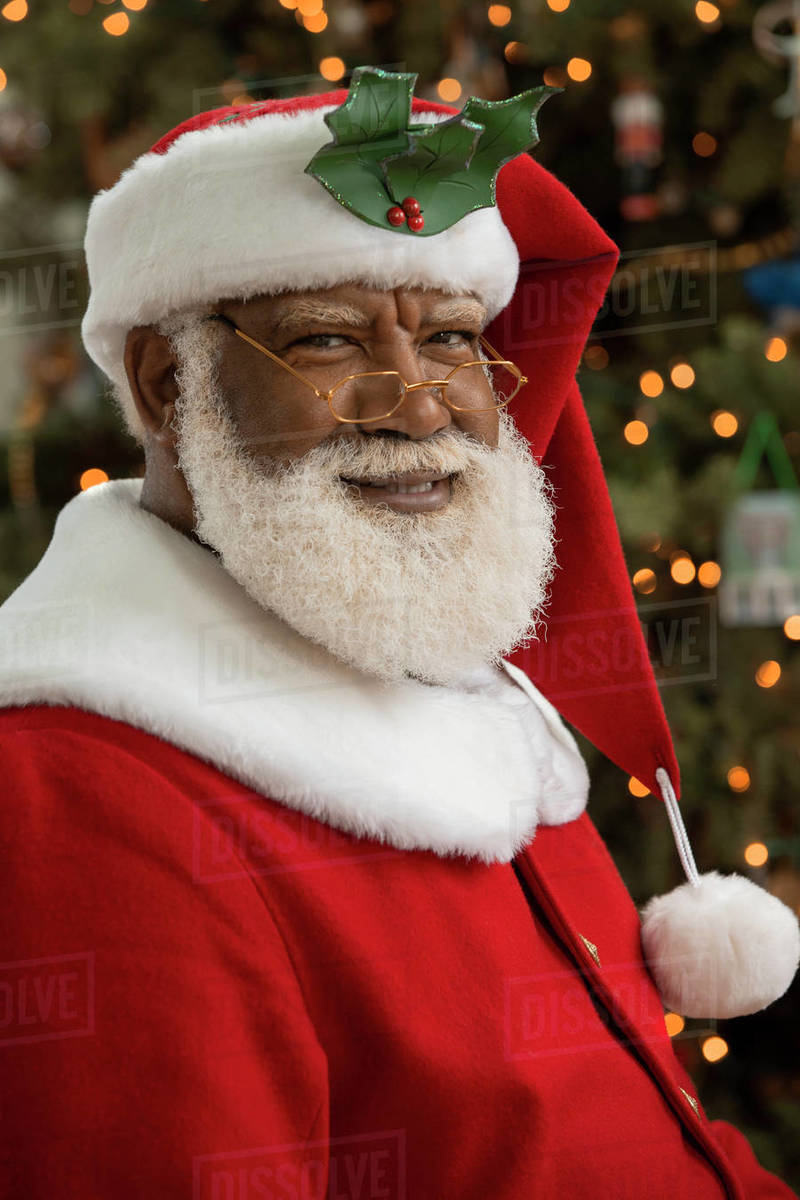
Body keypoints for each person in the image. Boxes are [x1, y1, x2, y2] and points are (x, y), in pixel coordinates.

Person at [0, 66, 797, 1199]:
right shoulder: (78, 795)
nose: (420, 405)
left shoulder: (461, 681)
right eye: (329, 342)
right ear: (168, 382)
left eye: (453, 342)